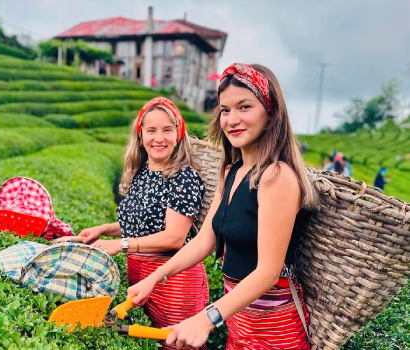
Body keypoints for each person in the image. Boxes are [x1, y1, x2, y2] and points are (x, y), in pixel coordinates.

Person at [127, 63, 319, 349]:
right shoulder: (232, 171)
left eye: (244, 107)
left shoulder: (277, 177)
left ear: (271, 114)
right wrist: (155, 278)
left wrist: (205, 319)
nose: (231, 119)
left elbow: (268, 271)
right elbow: (205, 240)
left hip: (274, 325)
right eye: (225, 110)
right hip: (238, 317)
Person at [55, 97, 208, 350]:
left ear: (179, 134)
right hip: (140, 274)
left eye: (167, 130)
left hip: (174, 278)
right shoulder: (142, 172)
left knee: (177, 343)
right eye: (151, 130)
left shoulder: (184, 177)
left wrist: (120, 244)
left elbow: (173, 237)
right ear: (141, 135)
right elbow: (140, 223)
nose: (159, 138)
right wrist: (104, 230)